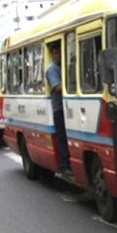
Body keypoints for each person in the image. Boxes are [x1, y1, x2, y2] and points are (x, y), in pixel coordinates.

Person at [46, 42, 71, 175]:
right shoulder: (51, 69)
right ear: (52, 54)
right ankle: (64, 165)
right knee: (62, 136)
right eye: (56, 53)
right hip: (59, 108)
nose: (59, 55)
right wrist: (72, 85)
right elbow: (57, 87)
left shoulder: (65, 66)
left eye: (60, 52)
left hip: (68, 106)